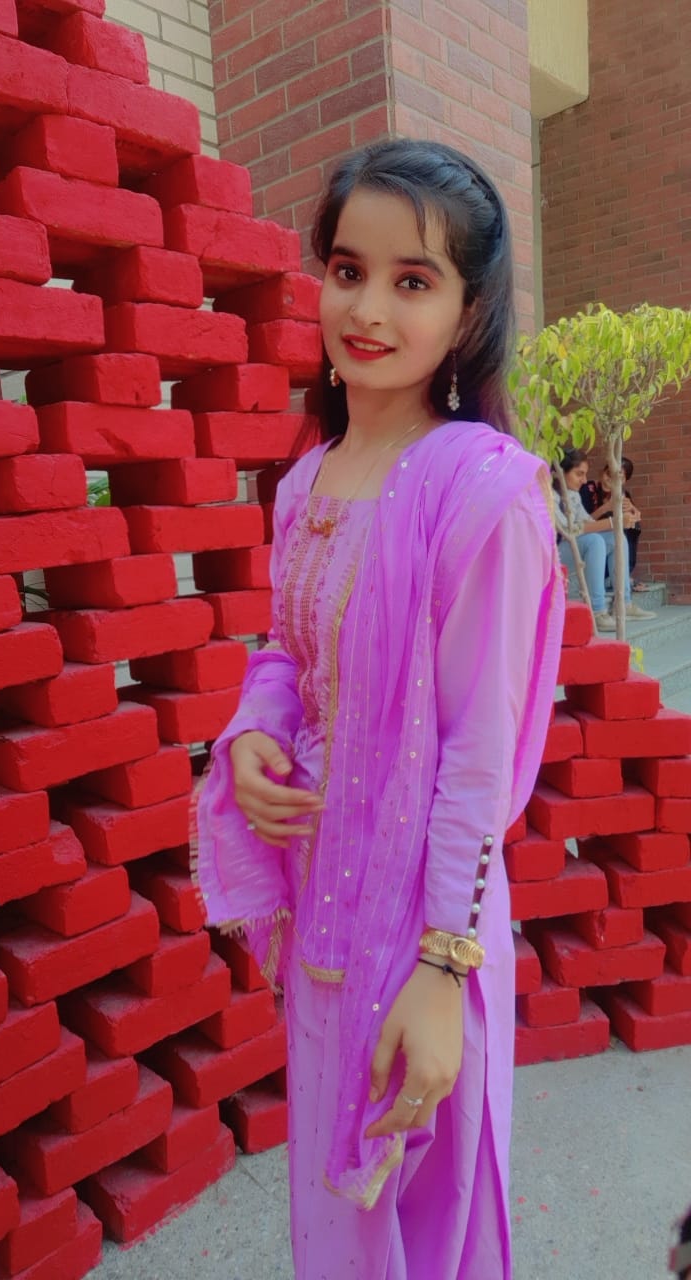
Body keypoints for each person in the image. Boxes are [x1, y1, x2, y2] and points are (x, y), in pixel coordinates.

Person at [192, 139, 565, 1280]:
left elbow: (477, 759)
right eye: (349, 270)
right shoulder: (307, 479)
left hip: (425, 932)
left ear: (468, 312)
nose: (367, 309)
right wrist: (253, 732)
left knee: (422, 1224)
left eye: (413, 280)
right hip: (324, 909)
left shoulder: (483, 493)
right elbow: (289, 649)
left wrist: (444, 976)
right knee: (339, 1220)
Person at [553, 449, 655, 631]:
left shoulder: (573, 494)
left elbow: (587, 522)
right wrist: (613, 521)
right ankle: (597, 611)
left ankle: (623, 603)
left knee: (616, 537)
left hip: (572, 548)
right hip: (552, 554)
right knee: (594, 541)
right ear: (561, 472)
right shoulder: (549, 494)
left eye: (585, 474)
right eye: (579, 474)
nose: (584, 480)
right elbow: (569, 530)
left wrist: (623, 520)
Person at [581, 456, 647, 589]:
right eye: (608, 474)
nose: (611, 479)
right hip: (591, 541)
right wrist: (606, 508)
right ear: (603, 473)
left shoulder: (622, 494)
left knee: (633, 526)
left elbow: (635, 518)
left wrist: (634, 511)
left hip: (612, 542)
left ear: (624, 481)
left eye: (619, 477)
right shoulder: (588, 489)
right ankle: (609, 576)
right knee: (616, 526)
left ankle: (622, 573)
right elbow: (582, 523)